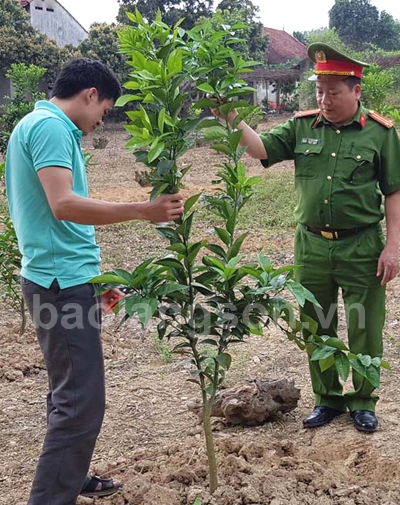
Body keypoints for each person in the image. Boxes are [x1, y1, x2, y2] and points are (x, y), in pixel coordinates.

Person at [5, 58, 184, 505]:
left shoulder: (47, 126)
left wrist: (95, 280)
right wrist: (143, 211)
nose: (104, 118)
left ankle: (72, 473)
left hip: (65, 279)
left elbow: (58, 219)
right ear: (89, 94)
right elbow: (64, 205)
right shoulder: (47, 127)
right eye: (105, 108)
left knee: (68, 391)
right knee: (81, 403)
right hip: (58, 284)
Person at [211, 43, 400, 433]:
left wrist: (393, 246)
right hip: (311, 244)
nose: (325, 100)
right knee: (317, 322)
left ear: (356, 91)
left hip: (362, 244)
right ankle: (327, 398)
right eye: (319, 91)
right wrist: (229, 115)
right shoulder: (301, 126)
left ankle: (363, 401)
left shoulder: (380, 134)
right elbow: (261, 148)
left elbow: (395, 191)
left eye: (333, 92)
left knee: (364, 323)